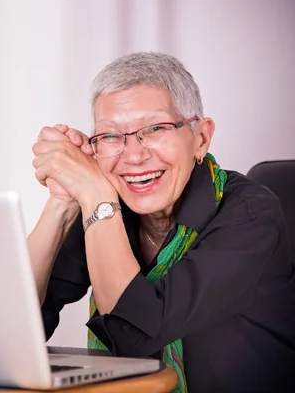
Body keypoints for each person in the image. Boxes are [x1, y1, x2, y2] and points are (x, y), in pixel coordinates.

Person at [28, 52, 295, 393]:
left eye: (155, 129)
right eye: (111, 136)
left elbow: (135, 335)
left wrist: (95, 195)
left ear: (201, 138)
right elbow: (10, 332)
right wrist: (62, 202)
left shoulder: (250, 216)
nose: (134, 155)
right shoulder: (107, 209)